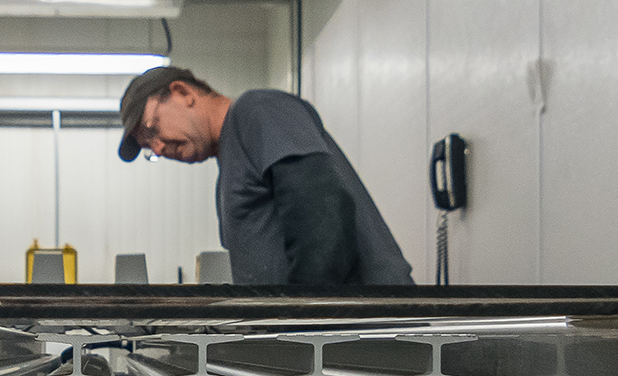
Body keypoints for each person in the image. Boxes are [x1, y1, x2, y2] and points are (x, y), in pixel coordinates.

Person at [116, 66, 414, 286]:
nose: (158, 146)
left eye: (153, 129)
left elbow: (323, 219)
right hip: (317, 343)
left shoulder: (258, 111)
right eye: (148, 147)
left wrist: (296, 324)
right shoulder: (229, 166)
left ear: (183, 93)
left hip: (359, 337)